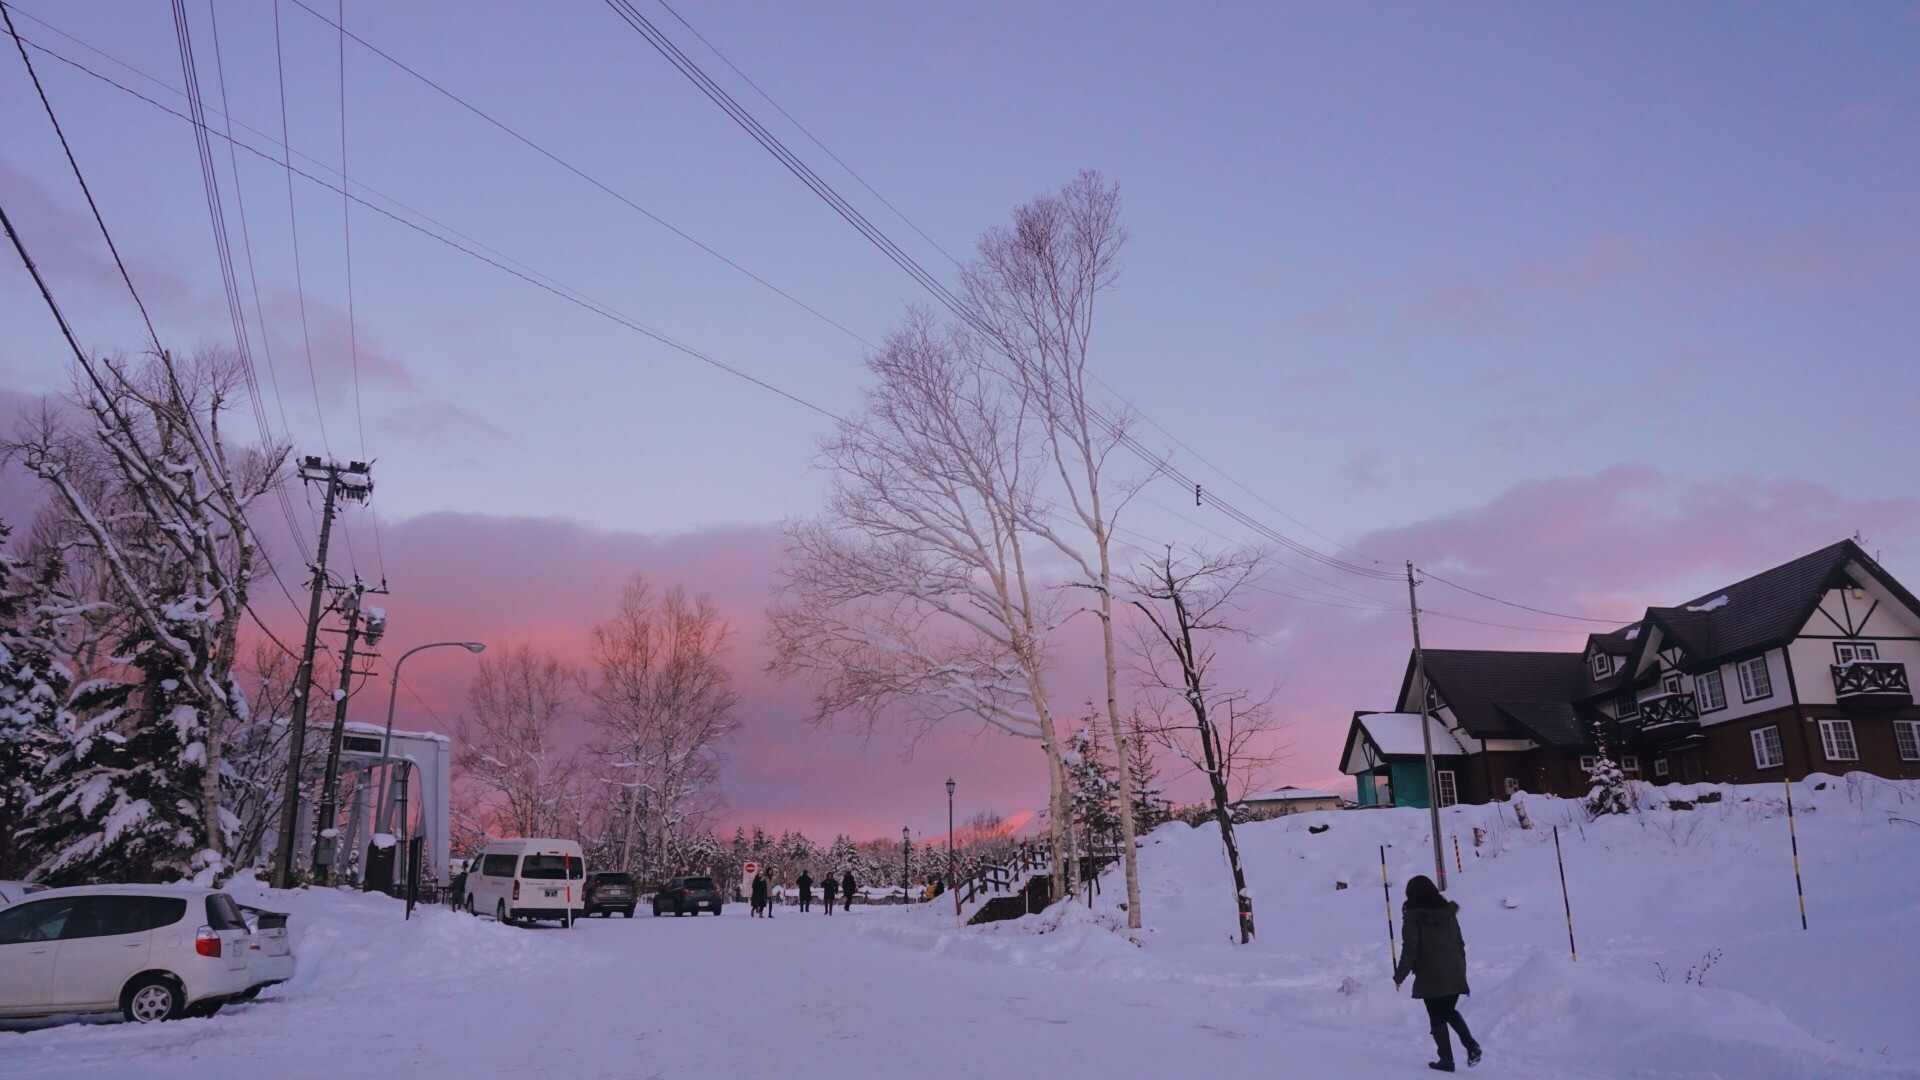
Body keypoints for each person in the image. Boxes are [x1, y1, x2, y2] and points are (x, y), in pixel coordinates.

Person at [1393, 875, 1482, 1072]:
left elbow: (1410, 949)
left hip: (1431, 972)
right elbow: (1460, 943)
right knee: (1447, 1011)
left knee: (1437, 1014)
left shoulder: (1413, 916)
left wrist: (1400, 976)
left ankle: (1447, 1060)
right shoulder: (1448, 913)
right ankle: (1471, 1046)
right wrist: (1460, 968)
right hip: (1454, 968)